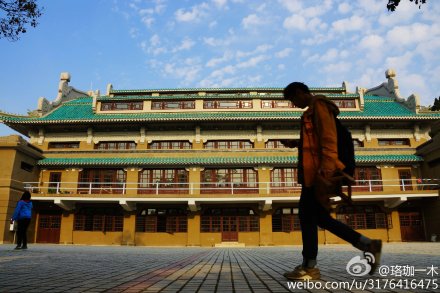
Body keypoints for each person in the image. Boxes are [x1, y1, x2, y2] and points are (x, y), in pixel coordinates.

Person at [282, 82, 382, 280]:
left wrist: (326, 171)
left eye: (293, 99)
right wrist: (297, 143)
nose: (294, 104)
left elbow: (328, 139)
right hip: (313, 173)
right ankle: (367, 244)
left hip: (318, 174)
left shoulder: (319, 106)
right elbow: (316, 141)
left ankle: (310, 267)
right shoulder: (312, 110)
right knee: (317, 218)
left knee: (307, 216)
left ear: (300, 92)